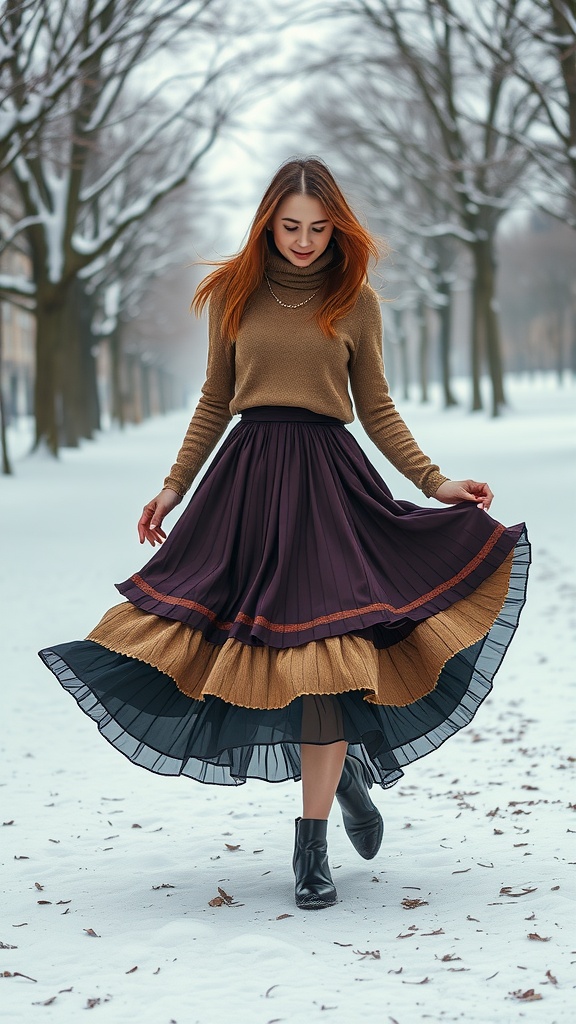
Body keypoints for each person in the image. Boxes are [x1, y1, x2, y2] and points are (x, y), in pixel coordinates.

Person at [39, 157, 530, 911]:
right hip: (247, 487)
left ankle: (312, 849)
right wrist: (172, 485)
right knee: (260, 653)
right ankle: (349, 783)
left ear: (338, 227)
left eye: (319, 227)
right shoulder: (232, 295)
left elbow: (379, 409)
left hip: (331, 487)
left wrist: (436, 483)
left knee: (326, 655)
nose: (304, 241)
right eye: (290, 226)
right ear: (269, 219)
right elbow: (213, 400)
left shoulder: (355, 300)